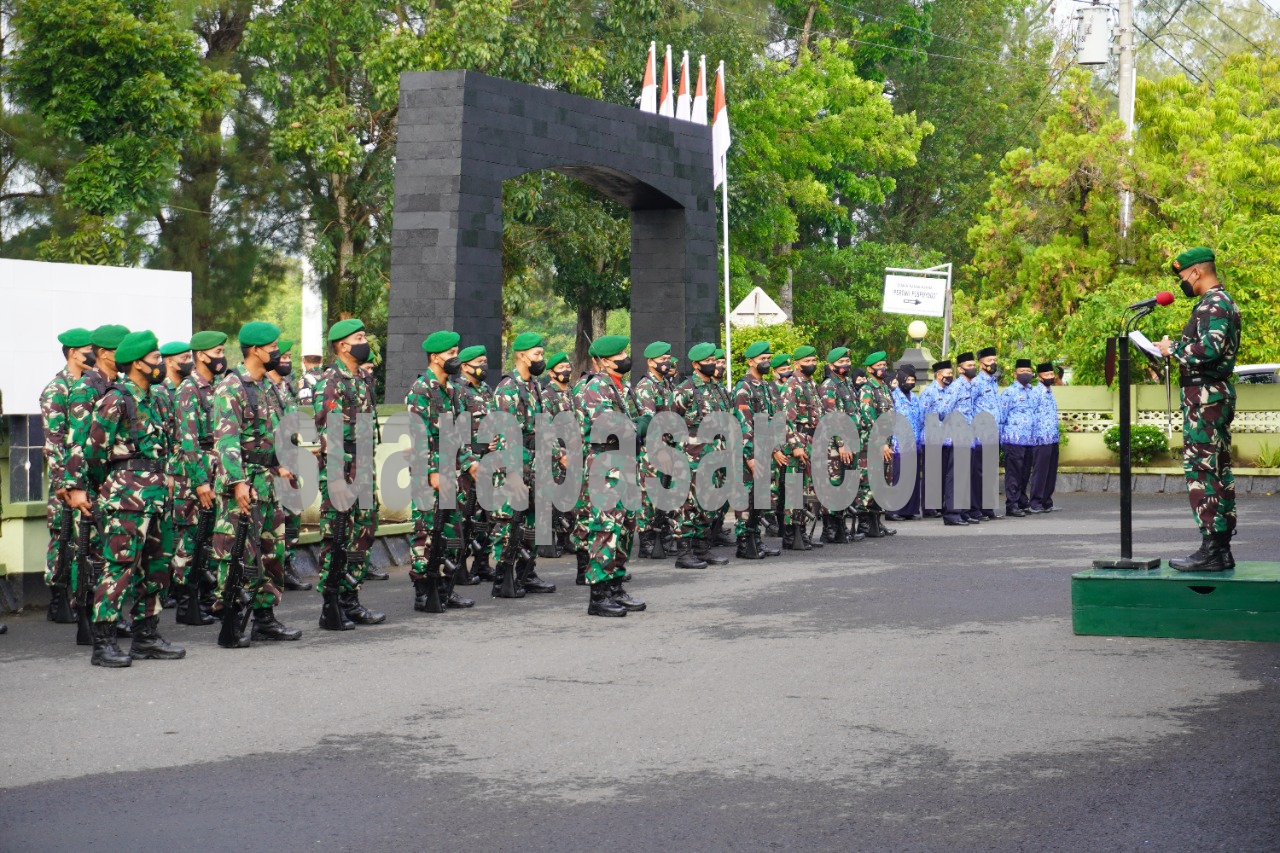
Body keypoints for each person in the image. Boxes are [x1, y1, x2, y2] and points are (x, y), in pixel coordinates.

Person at [68, 330, 185, 667]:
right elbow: (91, 451)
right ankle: (103, 641)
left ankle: (146, 636)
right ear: (137, 363)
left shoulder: (159, 398)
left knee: (157, 568)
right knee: (118, 568)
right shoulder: (116, 398)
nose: (160, 363)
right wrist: (96, 489)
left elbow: (172, 443)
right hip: (125, 498)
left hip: (158, 495)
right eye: (155, 358)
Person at [209, 322, 303, 647]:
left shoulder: (269, 387)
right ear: (255, 350)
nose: (278, 353)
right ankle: (232, 620)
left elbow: (274, 432)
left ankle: (264, 619)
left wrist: (281, 465)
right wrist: (237, 482)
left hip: (267, 483)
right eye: (273, 348)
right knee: (237, 556)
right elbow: (226, 440)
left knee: (271, 552)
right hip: (245, 485)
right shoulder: (232, 387)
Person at [1157, 247, 1242, 572]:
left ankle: (1212, 548)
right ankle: (1219, 550)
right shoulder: (1217, 302)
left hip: (1206, 396)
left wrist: (1172, 347)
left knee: (1203, 470)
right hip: (1206, 394)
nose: (1181, 283)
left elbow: (1210, 348)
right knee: (1216, 468)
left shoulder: (1215, 302)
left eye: (1182, 276)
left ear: (1196, 272)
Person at [314, 318, 385, 629]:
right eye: (359, 337)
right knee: (337, 537)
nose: (364, 341)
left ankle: (350, 598)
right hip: (342, 470)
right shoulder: (331, 381)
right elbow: (329, 433)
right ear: (343, 345)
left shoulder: (361, 380)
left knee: (362, 535)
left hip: (363, 468)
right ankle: (330, 603)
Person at [63, 323, 133, 638]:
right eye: (121, 350)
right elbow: (76, 441)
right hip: (90, 482)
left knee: (110, 552)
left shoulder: (119, 385)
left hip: (113, 483)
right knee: (88, 551)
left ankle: (109, 614)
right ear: (104, 353)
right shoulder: (86, 387)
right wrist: (76, 488)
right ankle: (86, 616)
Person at [405, 331, 480, 612]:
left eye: (456, 352)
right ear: (435, 357)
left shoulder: (453, 390)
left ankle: (444, 588)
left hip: (453, 473)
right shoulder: (421, 390)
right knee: (426, 533)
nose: (455, 358)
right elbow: (419, 437)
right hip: (431, 477)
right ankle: (423, 590)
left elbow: (460, 434)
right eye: (450, 354)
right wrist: (431, 473)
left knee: (450, 532)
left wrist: (471, 463)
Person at [576, 335, 647, 616]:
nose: (625, 357)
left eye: (625, 352)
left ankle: (616, 586)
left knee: (626, 528)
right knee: (605, 529)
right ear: (604, 361)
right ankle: (599, 594)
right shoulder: (594, 388)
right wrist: (638, 425)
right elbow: (610, 426)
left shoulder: (621, 387)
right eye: (619, 354)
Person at [489, 332, 556, 597]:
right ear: (521, 355)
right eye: (537, 354)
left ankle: (527, 573)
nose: (541, 359)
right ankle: (503, 578)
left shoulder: (534, 386)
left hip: (534, 463)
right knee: (510, 524)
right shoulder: (508, 388)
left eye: (541, 354)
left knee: (532, 523)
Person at [172, 331, 229, 626]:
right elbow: (188, 442)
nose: (222, 356)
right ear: (202, 355)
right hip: (195, 476)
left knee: (207, 538)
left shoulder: (218, 387)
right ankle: (186, 602)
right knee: (191, 538)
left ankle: (204, 597)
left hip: (215, 470)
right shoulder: (188, 390)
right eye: (218, 351)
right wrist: (200, 481)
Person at [41, 328, 95, 623]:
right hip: (66, 481)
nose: (94, 354)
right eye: (89, 349)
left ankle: (80, 598)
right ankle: (57, 597)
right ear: (74, 353)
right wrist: (64, 483)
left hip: (86, 476)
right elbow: (54, 441)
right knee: (62, 539)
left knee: (83, 540)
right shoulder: (57, 390)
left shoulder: (91, 385)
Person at [671, 342, 734, 568]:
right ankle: (684, 552)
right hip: (693, 456)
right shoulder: (685, 390)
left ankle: (702, 548)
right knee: (690, 504)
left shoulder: (719, 390)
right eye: (706, 362)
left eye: (713, 361)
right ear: (696, 365)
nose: (712, 365)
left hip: (717, 454)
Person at [265, 339, 313, 591]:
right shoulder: (263, 388)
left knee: (293, 516)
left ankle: (287, 565)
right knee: (274, 520)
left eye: (289, 356)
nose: (286, 360)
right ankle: (272, 571)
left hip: (291, 458)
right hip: (273, 465)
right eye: (281, 356)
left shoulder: (289, 387)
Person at [732, 341, 786, 559]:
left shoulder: (765, 386)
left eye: (768, 358)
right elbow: (744, 425)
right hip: (750, 453)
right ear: (750, 361)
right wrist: (750, 457)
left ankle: (756, 540)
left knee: (761, 498)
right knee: (747, 498)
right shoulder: (743, 388)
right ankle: (744, 544)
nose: (766, 362)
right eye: (762, 359)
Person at [453, 344, 497, 582]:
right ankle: (458, 567)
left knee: (485, 516)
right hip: (468, 463)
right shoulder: (458, 391)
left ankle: (481, 564)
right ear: (464, 366)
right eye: (478, 362)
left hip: (488, 461)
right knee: (464, 517)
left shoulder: (487, 390)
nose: (483, 366)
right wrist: (469, 457)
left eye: (484, 361)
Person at [633, 342, 677, 561]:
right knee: (649, 495)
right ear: (650, 362)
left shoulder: (666, 384)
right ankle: (647, 540)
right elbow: (649, 421)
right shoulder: (645, 387)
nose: (666, 362)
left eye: (668, 358)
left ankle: (664, 535)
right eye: (662, 358)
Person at [782, 346, 824, 550]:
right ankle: (791, 535)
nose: (812, 364)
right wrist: (795, 445)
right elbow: (785, 420)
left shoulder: (810, 383)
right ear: (797, 364)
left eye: (814, 360)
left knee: (807, 490)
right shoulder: (792, 385)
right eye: (807, 361)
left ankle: (803, 532)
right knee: (794, 489)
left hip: (811, 441)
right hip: (797, 442)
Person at [818, 347, 860, 543]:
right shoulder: (829, 386)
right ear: (831, 365)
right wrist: (841, 444)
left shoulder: (848, 384)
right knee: (834, 483)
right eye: (841, 362)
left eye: (847, 361)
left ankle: (840, 524)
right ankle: (829, 529)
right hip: (834, 445)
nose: (846, 365)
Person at [856, 351, 898, 538]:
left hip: (886, 442)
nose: (882, 369)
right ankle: (865, 524)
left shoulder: (885, 389)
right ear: (869, 369)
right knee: (870, 484)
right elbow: (868, 418)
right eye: (878, 366)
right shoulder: (867, 389)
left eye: (883, 365)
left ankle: (876, 522)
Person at [919, 359, 962, 525]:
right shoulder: (929, 392)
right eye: (948, 374)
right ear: (938, 375)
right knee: (931, 474)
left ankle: (943, 504)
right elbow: (923, 414)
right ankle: (930, 507)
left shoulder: (950, 392)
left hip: (947, 439)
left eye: (951, 374)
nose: (950, 376)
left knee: (944, 474)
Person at [998, 359, 1038, 517]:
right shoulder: (1009, 392)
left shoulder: (1032, 391)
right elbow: (1002, 416)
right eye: (1022, 372)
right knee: (1013, 473)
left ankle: (1022, 501)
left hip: (1029, 439)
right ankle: (1012, 504)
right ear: (1015, 374)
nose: (1026, 374)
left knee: (1025, 472)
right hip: (1013, 439)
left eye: (1028, 371)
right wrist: (1001, 440)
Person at [889, 365, 923, 521]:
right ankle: (894, 510)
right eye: (907, 380)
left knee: (912, 478)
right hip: (898, 444)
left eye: (912, 380)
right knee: (899, 478)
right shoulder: (893, 397)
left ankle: (909, 510)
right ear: (901, 380)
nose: (910, 383)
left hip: (914, 443)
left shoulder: (915, 398)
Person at [1028, 362, 1060, 515]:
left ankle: (1047, 501)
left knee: (1051, 472)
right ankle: (1035, 502)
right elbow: (1031, 415)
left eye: (1051, 374)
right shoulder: (1036, 393)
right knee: (1040, 471)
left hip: (1053, 437)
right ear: (1039, 377)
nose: (1050, 377)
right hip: (1041, 438)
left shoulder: (1050, 392)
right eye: (1046, 375)